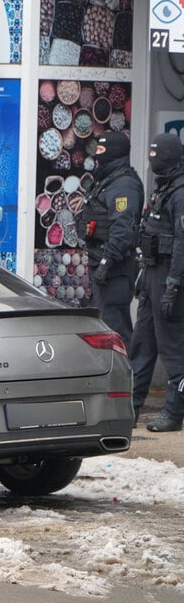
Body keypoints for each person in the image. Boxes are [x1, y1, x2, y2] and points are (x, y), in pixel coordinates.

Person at [132, 133, 184, 432]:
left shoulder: (179, 193)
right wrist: (144, 277)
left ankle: (174, 413)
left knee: (173, 349)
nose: (152, 159)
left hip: (169, 277)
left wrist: (173, 286)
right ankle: (131, 407)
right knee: (142, 344)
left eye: (157, 154)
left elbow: (181, 243)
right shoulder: (162, 188)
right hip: (152, 273)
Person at [76, 131, 144, 348]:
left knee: (116, 327)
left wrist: (107, 261)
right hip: (101, 262)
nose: (97, 155)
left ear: (114, 152)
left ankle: (125, 368)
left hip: (116, 268)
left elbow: (123, 231)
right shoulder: (107, 181)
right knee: (103, 326)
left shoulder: (124, 185)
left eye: (102, 150)